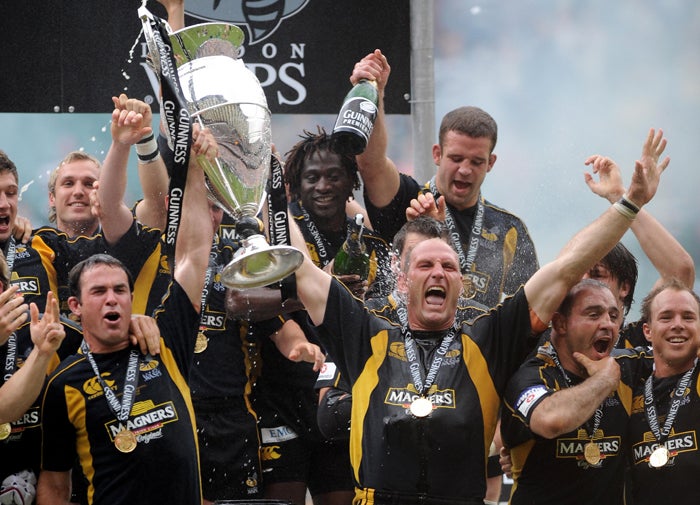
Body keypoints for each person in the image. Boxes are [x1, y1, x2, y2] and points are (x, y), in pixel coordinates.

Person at [286, 125, 667, 504]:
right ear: (401, 282)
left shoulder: (490, 336)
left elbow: (567, 268)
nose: (438, 273)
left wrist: (629, 203)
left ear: (461, 285)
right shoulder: (367, 329)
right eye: (425, 266)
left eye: (449, 267)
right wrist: (262, 193)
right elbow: (299, 266)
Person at [36, 124, 215, 504]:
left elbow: (196, 251)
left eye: (120, 290)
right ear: (75, 307)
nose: (112, 299)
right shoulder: (63, 386)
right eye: (98, 292)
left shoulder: (164, 343)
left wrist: (197, 168)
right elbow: (53, 485)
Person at [351, 49, 539, 308]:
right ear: (437, 154)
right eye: (456, 158)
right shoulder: (409, 200)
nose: (465, 170)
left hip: (475, 347)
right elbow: (370, 164)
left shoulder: (508, 229)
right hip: (403, 344)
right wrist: (375, 93)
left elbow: (534, 306)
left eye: (476, 162)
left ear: (491, 163)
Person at [499, 278, 653, 504]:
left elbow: (681, 348)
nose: (607, 324)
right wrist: (604, 381)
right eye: (593, 314)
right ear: (560, 324)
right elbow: (552, 420)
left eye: (613, 316)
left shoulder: (626, 366)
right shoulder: (530, 375)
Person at [625, 279, 700, 504]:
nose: (678, 324)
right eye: (666, 317)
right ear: (647, 331)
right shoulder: (628, 388)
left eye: (688, 317)